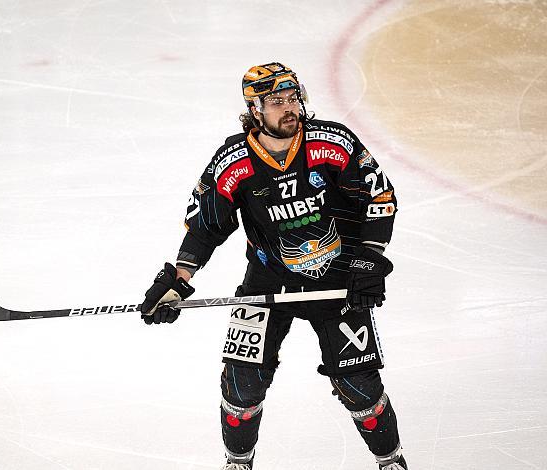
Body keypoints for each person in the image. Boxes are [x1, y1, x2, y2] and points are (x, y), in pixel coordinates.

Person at [139, 62, 407, 470]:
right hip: (267, 283)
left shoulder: (331, 143)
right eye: (277, 102)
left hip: (338, 283)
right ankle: (237, 463)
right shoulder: (234, 160)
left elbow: (380, 197)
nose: (289, 108)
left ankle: (391, 463)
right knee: (241, 385)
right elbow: (206, 226)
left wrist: (370, 259)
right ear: (256, 109)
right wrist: (179, 277)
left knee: (360, 387)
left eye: (293, 98)